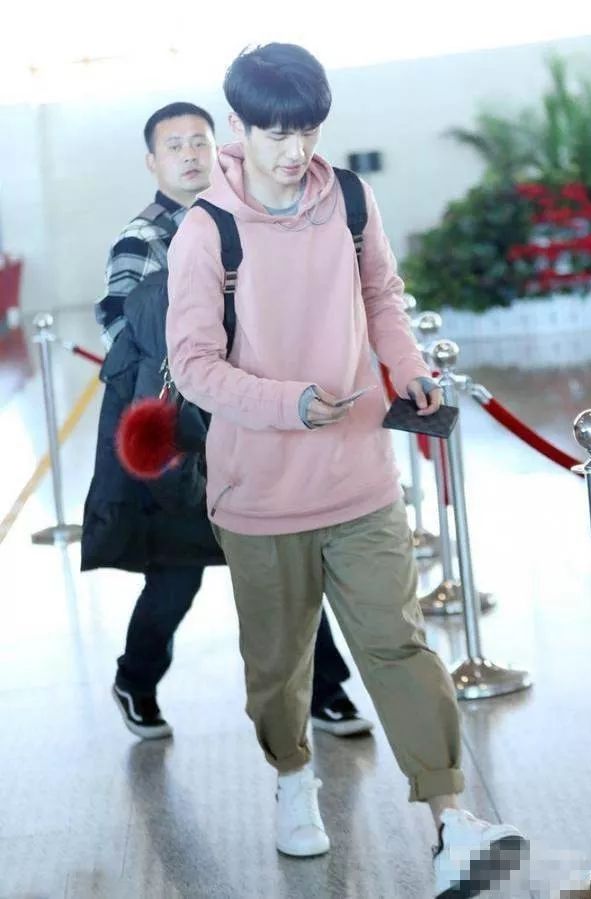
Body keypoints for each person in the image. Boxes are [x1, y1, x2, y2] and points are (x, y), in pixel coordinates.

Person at [165, 46, 528, 897]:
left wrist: (409, 369)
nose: (296, 151)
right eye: (277, 134)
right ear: (239, 126)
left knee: (399, 642)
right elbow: (193, 364)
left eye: (309, 131)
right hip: (259, 492)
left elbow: (382, 299)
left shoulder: (352, 200)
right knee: (278, 665)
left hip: (360, 475)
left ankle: (450, 819)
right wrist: (289, 403)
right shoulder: (205, 230)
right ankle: (293, 777)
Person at [82, 101, 372, 742]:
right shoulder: (143, 236)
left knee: (286, 562)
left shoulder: (243, 215)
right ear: (152, 161)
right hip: (186, 433)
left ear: (219, 148)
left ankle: (325, 692)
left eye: (199, 142)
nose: (190, 155)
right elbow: (119, 329)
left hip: (253, 419)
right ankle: (136, 681)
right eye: (174, 146)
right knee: (176, 573)